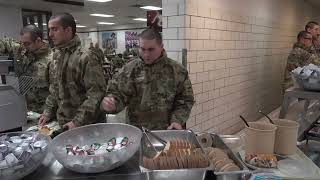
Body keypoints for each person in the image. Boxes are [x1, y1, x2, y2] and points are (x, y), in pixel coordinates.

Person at [101, 28, 195, 130]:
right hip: (136, 132)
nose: (146, 54)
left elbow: (185, 100)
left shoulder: (177, 71)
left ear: (161, 47)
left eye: (151, 49)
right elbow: (117, 94)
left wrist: (177, 120)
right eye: (142, 49)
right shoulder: (129, 70)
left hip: (167, 131)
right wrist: (111, 103)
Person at [39, 13, 107, 130]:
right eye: (50, 30)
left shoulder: (86, 57)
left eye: (55, 29)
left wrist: (77, 122)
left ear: (68, 30)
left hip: (88, 125)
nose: (50, 34)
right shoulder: (56, 57)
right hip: (64, 123)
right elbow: (55, 89)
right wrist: (47, 112)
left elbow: (96, 95)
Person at [0, 25, 51, 114]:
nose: (23, 46)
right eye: (22, 42)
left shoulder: (52, 60)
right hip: (27, 109)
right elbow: (5, 43)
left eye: (27, 43)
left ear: (38, 40)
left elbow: (58, 92)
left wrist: (48, 113)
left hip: (44, 112)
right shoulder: (22, 50)